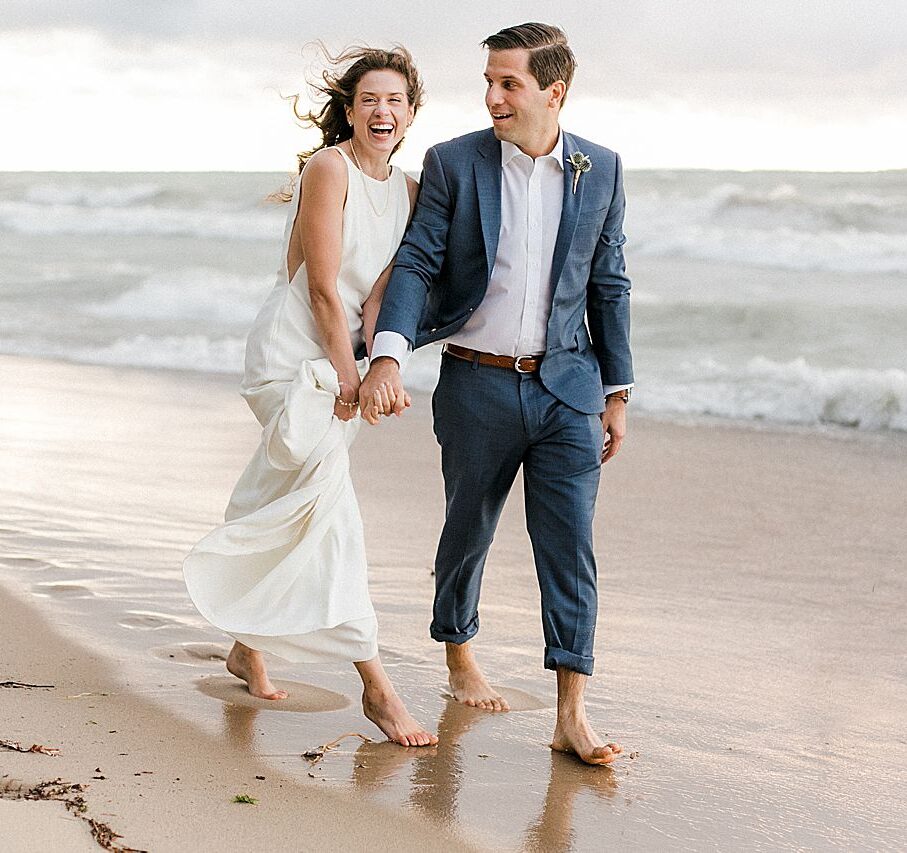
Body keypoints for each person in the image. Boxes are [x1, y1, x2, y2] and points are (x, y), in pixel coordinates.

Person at [360, 22, 632, 765]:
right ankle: (457, 651)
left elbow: (608, 283)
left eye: (508, 83)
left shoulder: (599, 168)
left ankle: (571, 711)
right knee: (466, 531)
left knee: (569, 549)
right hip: (475, 382)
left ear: (554, 91)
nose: (491, 97)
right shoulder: (454, 162)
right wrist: (387, 354)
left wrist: (617, 391)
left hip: (566, 390)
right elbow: (417, 261)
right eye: (488, 80)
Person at [183, 45, 437, 747]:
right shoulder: (329, 168)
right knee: (330, 508)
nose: (381, 112)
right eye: (368, 101)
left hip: (341, 357)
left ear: (411, 113)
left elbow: (379, 292)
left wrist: (381, 364)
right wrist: (348, 379)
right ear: (350, 111)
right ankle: (378, 690)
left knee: (289, 498)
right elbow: (323, 286)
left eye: (394, 101)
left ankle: (246, 646)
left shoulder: (410, 190)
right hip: (293, 355)